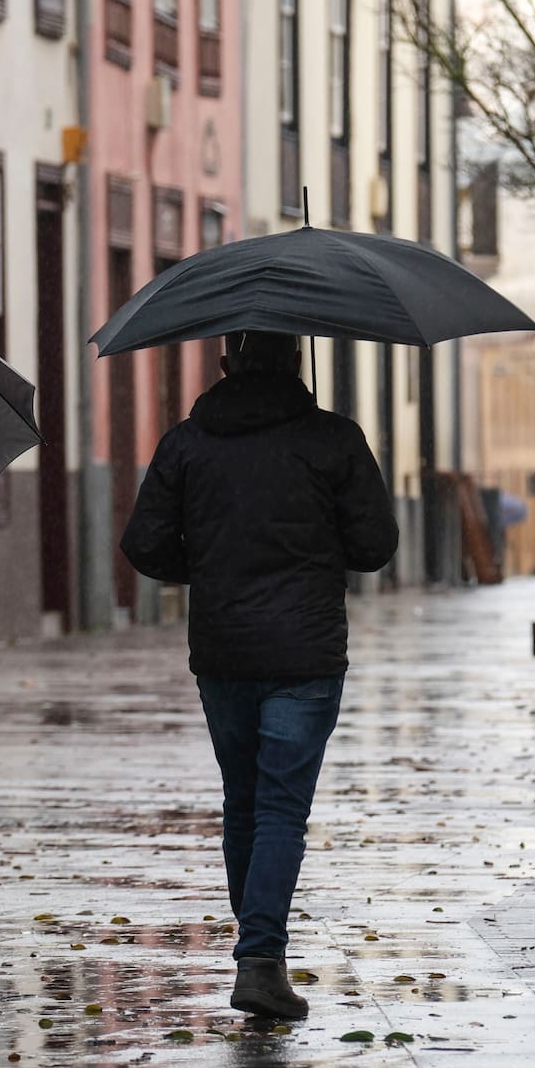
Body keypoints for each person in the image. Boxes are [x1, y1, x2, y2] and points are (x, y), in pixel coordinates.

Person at [121, 332, 398, 1019]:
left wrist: (212, 567)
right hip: (304, 652)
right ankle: (260, 959)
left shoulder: (187, 443)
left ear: (225, 366)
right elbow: (375, 546)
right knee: (280, 805)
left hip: (223, 651)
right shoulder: (335, 440)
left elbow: (145, 544)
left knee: (243, 800)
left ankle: (258, 953)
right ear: (297, 361)